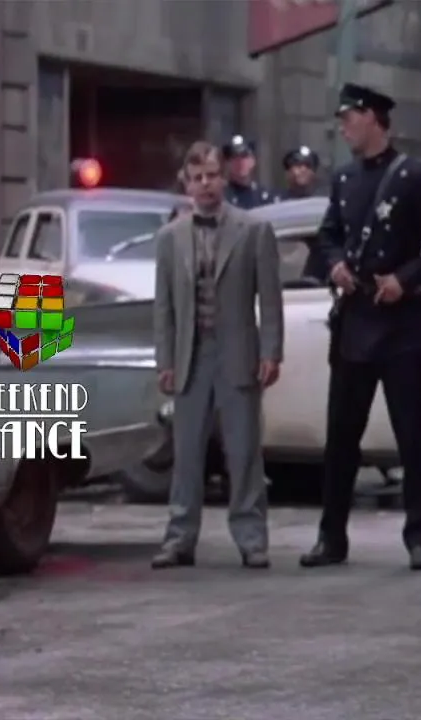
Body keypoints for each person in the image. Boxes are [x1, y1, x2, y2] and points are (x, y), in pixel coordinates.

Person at [299, 83, 421, 571]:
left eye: (348, 118)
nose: (342, 128)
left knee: (412, 436)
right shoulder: (345, 178)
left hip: (401, 326)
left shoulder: (414, 177)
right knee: (341, 438)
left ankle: (419, 537)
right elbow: (327, 235)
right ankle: (331, 537)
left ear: (372, 117)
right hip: (355, 321)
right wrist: (335, 264)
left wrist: (406, 280)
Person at [151, 140, 284, 570]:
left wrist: (271, 351)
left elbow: (270, 297)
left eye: (212, 175)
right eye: (197, 178)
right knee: (186, 453)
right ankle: (179, 537)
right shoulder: (170, 238)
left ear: (224, 178)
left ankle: (251, 538)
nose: (205, 184)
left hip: (238, 351)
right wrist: (165, 360)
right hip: (191, 354)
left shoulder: (253, 230)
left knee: (243, 452)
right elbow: (163, 305)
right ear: (186, 184)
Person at [222, 135, 276, 210]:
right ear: (227, 164)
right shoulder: (221, 196)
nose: (240, 162)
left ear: (253, 161)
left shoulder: (265, 197)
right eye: (234, 157)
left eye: (244, 156)